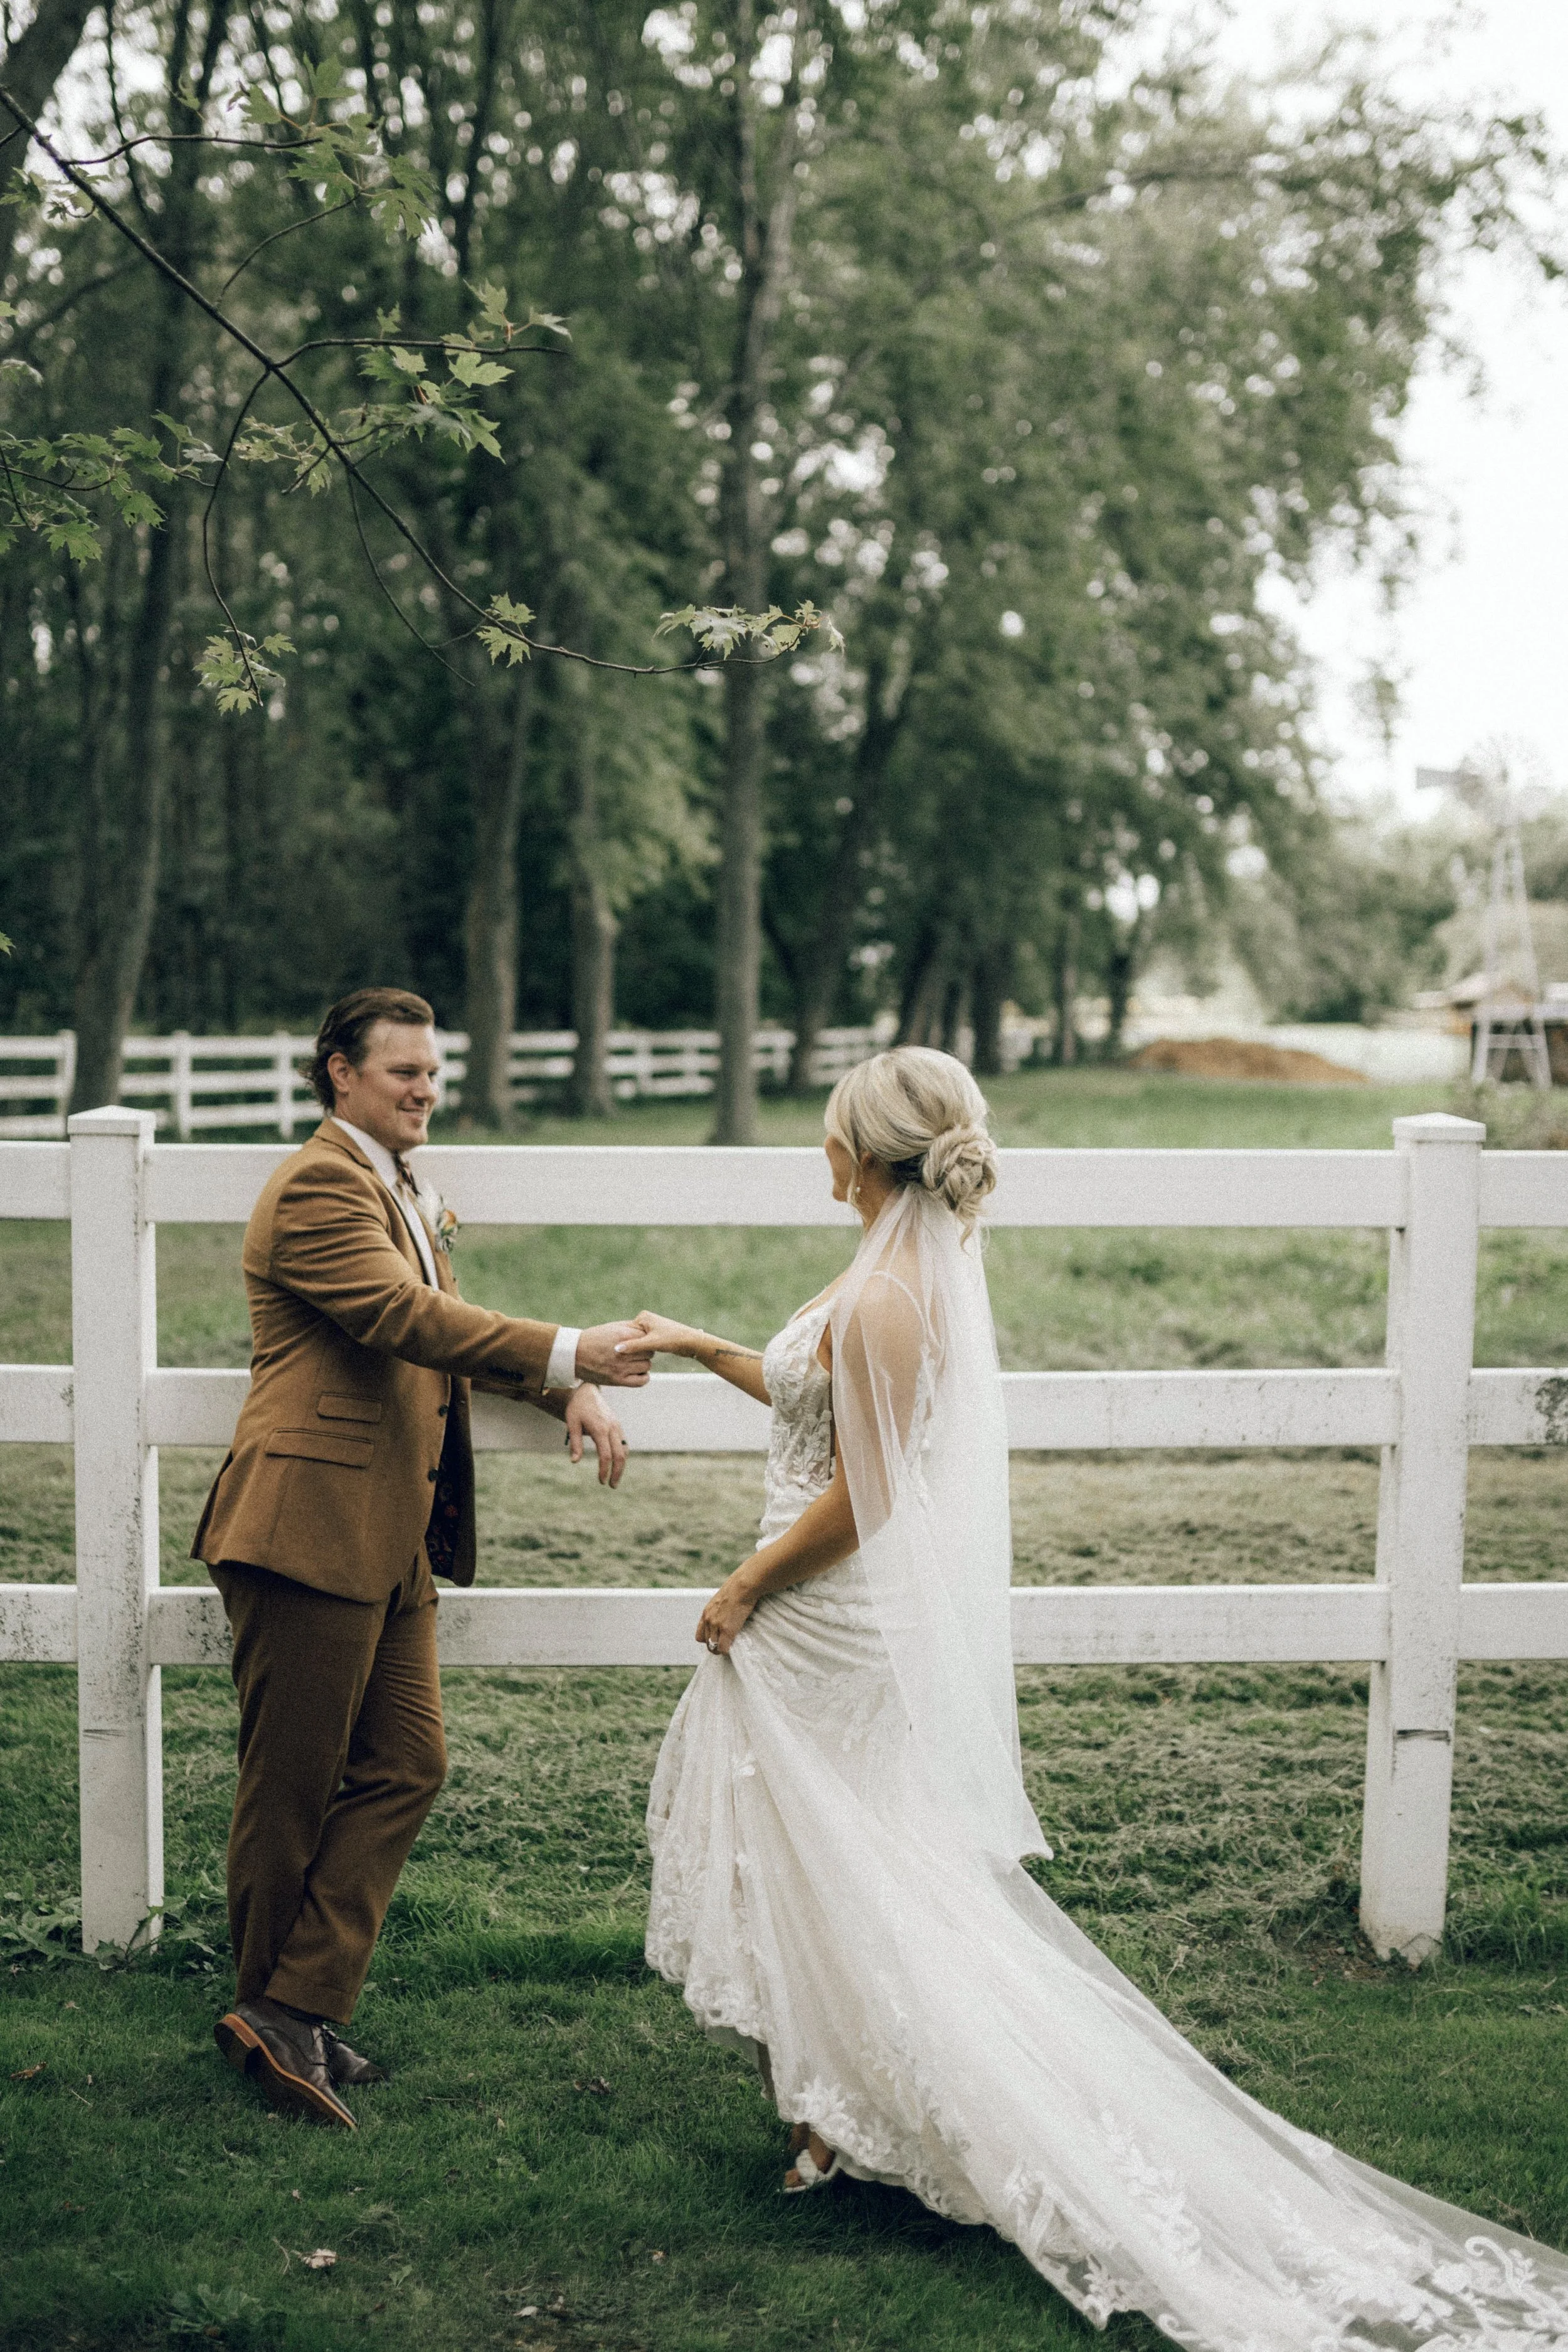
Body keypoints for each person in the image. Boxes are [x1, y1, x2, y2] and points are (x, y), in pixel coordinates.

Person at [619, 1045, 1568, 2349]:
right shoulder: (889, 1268)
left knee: (852, 1868)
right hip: (811, 1611)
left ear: (865, 1153)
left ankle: (875, 2117)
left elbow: (871, 1493)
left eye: (830, 1134)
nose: (817, 1154)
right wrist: (689, 1343)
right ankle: (821, 2117)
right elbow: (812, 1401)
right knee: (816, 1861)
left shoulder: (894, 1292)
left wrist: (743, 1584)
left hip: (822, 1613)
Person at [194, 987, 648, 2129]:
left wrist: (563, 1385)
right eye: (402, 1072)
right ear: (339, 1074)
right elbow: (404, 1320)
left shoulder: (402, 1187)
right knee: (291, 1786)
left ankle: (293, 2005)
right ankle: (270, 2013)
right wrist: (569, 1343)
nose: (425, 1089)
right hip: (305, 1527)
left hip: (391, 1535)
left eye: (432, 1072)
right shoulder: (315, 1187)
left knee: (408, 1761)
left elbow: (444, 1319)